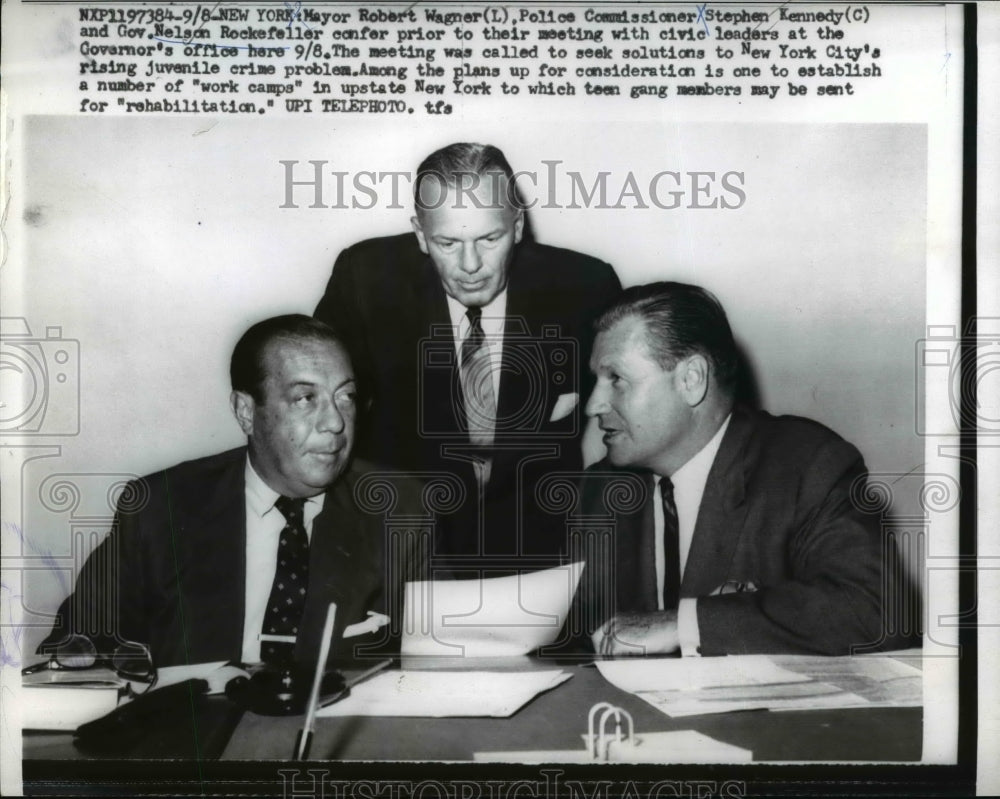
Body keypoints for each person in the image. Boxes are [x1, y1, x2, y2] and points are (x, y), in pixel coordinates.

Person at [39, 315, 428, 669]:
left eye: (346, 396)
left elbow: (441, 656)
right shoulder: (160, 507)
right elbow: (80, 640)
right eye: (305, 398)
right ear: (246, 412)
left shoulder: (402, 510)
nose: (335, 423)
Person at [315, 143, 621, 571]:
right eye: (447, 242)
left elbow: (625, 415)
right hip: (398, 543)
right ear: (420, 235)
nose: (470, 264)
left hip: (540, 546)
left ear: (517, 226)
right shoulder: (365, 280)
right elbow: (316, 401)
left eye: (490, 239)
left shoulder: (586, 287)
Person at [576, 282, 908, 656]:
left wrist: (688, 624)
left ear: (691, 380)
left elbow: (876, 613)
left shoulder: (808, 466)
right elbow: (574, 636)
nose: (593, 405)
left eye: (616, 379)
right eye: (596, 381)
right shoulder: (600, 490)